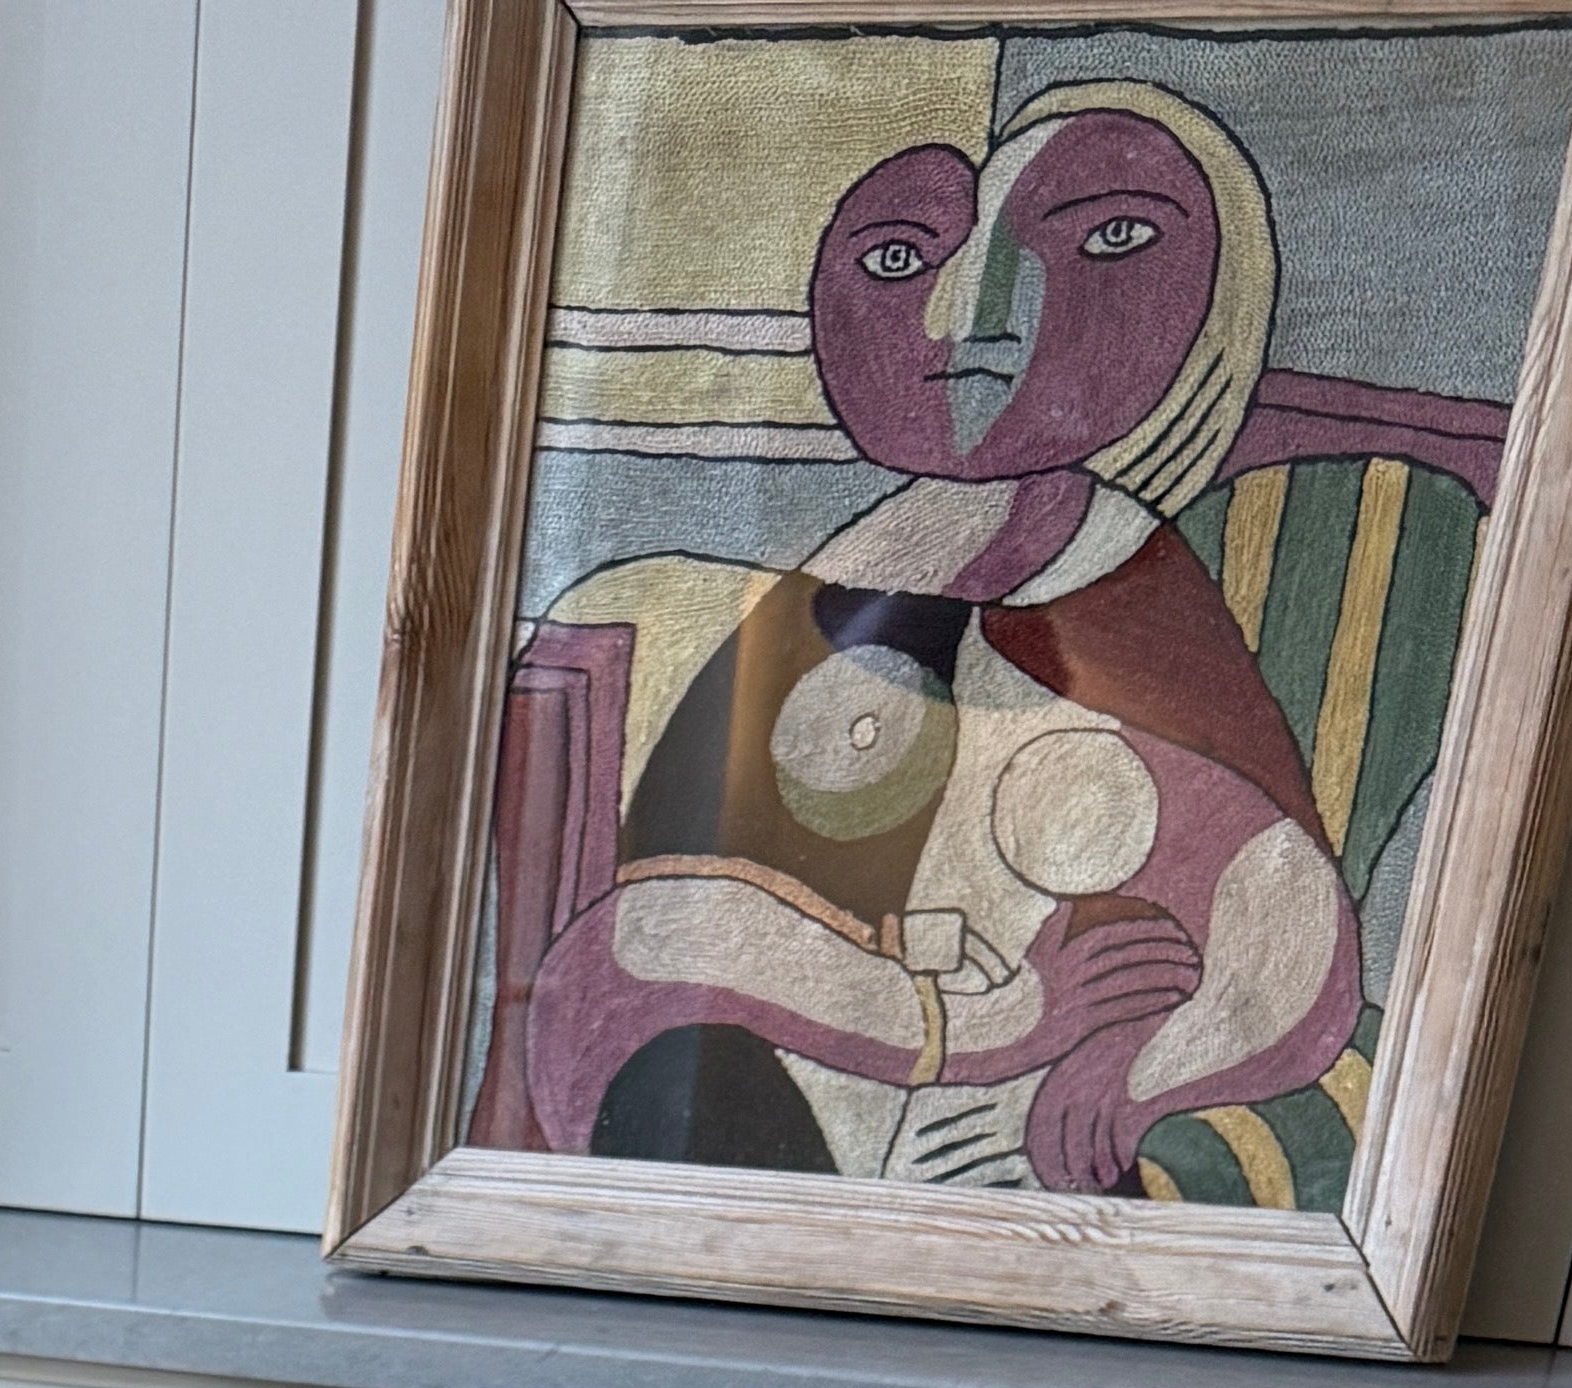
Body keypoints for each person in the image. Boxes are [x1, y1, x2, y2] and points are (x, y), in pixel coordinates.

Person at [488, 80, 1360, 1196]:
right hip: (771, 1116)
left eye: (1111, 239)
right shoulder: (852, 581)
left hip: (993, 1156)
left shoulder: (1121, 589)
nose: (966, 316)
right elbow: (642, 950)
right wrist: (978, 1019)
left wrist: (1140, 1074)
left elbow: (1285, 931)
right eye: (900, 260)